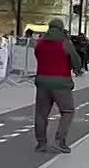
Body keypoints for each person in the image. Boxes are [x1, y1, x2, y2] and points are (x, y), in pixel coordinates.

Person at [32, 18, 84, 154]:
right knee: (67, 111)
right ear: (61, 28)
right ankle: (60, 140)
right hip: (61, 82)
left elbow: (37, 56)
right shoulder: (65, 43)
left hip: (42, 82)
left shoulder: (40, 43)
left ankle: (41, 143)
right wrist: (76, 68)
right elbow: (76, 61)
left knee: (41, 114)